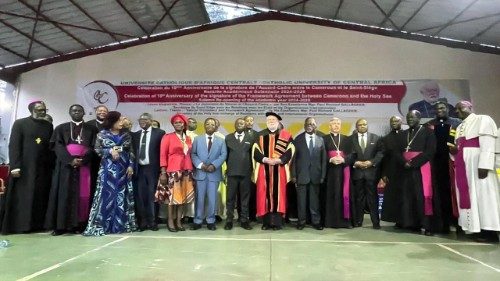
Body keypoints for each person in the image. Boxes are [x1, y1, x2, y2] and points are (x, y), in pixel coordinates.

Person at [1, 101, 53, 234]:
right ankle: (20, 225)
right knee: (24, 196)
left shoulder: (48, 125)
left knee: (39, 196)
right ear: (32, 110)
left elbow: (49, 147)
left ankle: (36, 225)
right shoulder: (20, 123)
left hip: (42, 168)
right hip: (24, 167)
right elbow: (14, 145)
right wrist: (15, 166)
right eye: (40, 110)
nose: (43, 112)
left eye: (44, 109)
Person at [45, 105, 98, 235]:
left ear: (84, 113)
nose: (77, 113)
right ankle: (60, 226)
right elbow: (57, 145)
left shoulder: (92, 129)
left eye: (79, 111)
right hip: (65, 167)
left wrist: (83, 159)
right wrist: (70, 160)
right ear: (69, 113)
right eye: (74, 111)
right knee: (63, 194)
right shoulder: (60, 128)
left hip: (84, 166)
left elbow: (95, 146)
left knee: (83, 195)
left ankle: (79, 225)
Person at [83, 111, 137, 236]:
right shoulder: (102, 134)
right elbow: (97, 149)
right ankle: (103, 224)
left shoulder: (126, 135)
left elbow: (131, 151)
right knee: (106, 195)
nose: (121, 123)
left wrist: (131, 165)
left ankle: (120, 225)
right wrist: (109, 151)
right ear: (112, 121)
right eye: (119, 121)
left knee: (121, 195)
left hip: (123, 169)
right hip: (107, 169)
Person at [452, 101, 499, 242]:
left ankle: (489, 231)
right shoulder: (459, 126)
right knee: (469, 196)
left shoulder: (483, 119)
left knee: (484, 196)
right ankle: (474, 228)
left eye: (461, 108)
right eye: (456, 109)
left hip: (478, 165)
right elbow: (458, 148)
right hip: (463, 166)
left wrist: (485, 165)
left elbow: (488, 144)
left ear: (471, 108)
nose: (458, 111)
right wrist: (454, 152)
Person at [397, 110, 436, 236]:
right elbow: (397, 152)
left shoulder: (428, 132)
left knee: (422, 196)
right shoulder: (403, 134)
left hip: (421, 168)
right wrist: (404, 162)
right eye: (408, 117)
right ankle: (411, 223)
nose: (410, 119)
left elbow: (430, 152)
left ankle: (426, 224)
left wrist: (413, 162)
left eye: (412, 117)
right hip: (405, 169)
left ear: (419, 119)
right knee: (408, 196)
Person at [252, 112, 294, 230]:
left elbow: (290, 151)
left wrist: (280, 160)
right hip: (264, 169)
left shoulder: (285, 135)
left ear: (278, 121)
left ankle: (277, 223)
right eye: (269, 119)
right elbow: (255, 151)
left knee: (278, 195)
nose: (270, 121)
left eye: (273, 119)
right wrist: (265, 159)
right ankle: (266, 222)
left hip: (279, 169)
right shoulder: (260, 135)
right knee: (264, 194)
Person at [426, 101, 462, 233]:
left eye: (442, 108)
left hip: (453, 163)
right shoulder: (430, 124)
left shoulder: (457, 123)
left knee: (454, 192)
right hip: (435, 164)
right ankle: (442, 223)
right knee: (438, 193)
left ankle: (458, 222)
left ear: (447, 109)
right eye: (437, 108)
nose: (439, 110)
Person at [158, 114, 194, 232]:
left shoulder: (188, 138)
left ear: (184, 124)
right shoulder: (167, 137)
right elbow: (163, 155)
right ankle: (170, 221)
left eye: (180, 122)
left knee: (182, 198)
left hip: (186, 171)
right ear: (173, 125)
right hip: (173, 171)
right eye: (176, 122)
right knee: (172, 198)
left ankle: (179, 221)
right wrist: (163, 172)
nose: (178, 124)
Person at [190, 118, 227, 231]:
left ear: (216, 127)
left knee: (212, 199)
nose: (210, 125)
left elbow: (223, 155)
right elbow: (193, 154)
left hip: (213, 174)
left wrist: (214, 165)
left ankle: (211, 221)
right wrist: (201, 165)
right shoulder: (197, 139)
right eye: (207, 123)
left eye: (212, 124)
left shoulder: (221, 141)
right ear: (204, 126)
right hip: (201, 173)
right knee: (199, 198)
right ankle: (198, 220)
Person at [291, 117, 326, 230]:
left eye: (312, 123)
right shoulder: (298, 139)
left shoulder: (320, 140)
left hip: (316, 176)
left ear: (315, 126)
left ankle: (316, 222)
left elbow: (323, 160)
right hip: (301, 176)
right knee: (301, 201)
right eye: (307, 123)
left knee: (314, 202)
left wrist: (322, 175)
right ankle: (301, 222)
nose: (310, 125)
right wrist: (294, 175)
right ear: (304, 125)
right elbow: (294, 159)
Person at [132, 113, 165, 231]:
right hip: (139, 169)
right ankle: (142, 222)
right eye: (140, 120)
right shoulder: (135, 135)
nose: (142, 121)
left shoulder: (160, 133)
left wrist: (163, 170)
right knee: (140, 197)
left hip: (153, 169)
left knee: (152, 196)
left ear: (151, 121)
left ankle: (153, 222)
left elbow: (162, 152)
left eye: (145, 119)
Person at [350, 119, 384, 229]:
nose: (363, 126)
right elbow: (348, 154)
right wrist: (355, 162)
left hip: (371, 173)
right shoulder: (350, 139)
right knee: (358, 198)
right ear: (356, 127)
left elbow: (381, 152)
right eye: (360, 125)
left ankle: (375, 222)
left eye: (364, 124)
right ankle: (358, 221)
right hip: (357, 173)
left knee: (372, 198)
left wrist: (372, 162)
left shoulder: (376, 137)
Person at [224, 118, 253, 230]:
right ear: (234, 125)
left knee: (245, 198)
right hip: (232, 172)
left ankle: (244, 220)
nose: (240, 124)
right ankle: (229, 220)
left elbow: (252, 156)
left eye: (242, 123)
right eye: (238, 123)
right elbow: (225, 156)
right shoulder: (228, 138)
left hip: (246, 173)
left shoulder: (251, 138)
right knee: (230, 198)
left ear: (245, 125)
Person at [323, 117, 352, 228]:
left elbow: (352, 154)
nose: (336, 125)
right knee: (330, 195)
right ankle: (330, 222)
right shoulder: (323, 139)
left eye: (338, 123)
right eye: (334, 123)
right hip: (329, 171)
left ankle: (345, 222)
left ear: (341, 125)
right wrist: (330, 159)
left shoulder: (347, 139)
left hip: (344, 171)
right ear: (329, 126)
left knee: (344, 195)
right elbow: (321, 154)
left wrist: (344, 159)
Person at [380, 116, 404, 224]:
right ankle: (396, 220)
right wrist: (383, 174)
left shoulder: (407, 135)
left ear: (401, 122)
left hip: (406, 170)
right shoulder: (385, 139)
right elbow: (383, 158)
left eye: (396, 121)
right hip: (392, 171)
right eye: (392, 121)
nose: (394, 123)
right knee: (393, 197)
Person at [244, 115, 258, 221]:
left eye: (251, 121)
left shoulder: (257, 135)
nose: (249, 122)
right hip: (242, 167)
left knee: (253, 192)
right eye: (247, 121)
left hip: (254, 167)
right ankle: (241, 216)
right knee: (242, 193)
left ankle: (253, 215)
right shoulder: (239, 134)